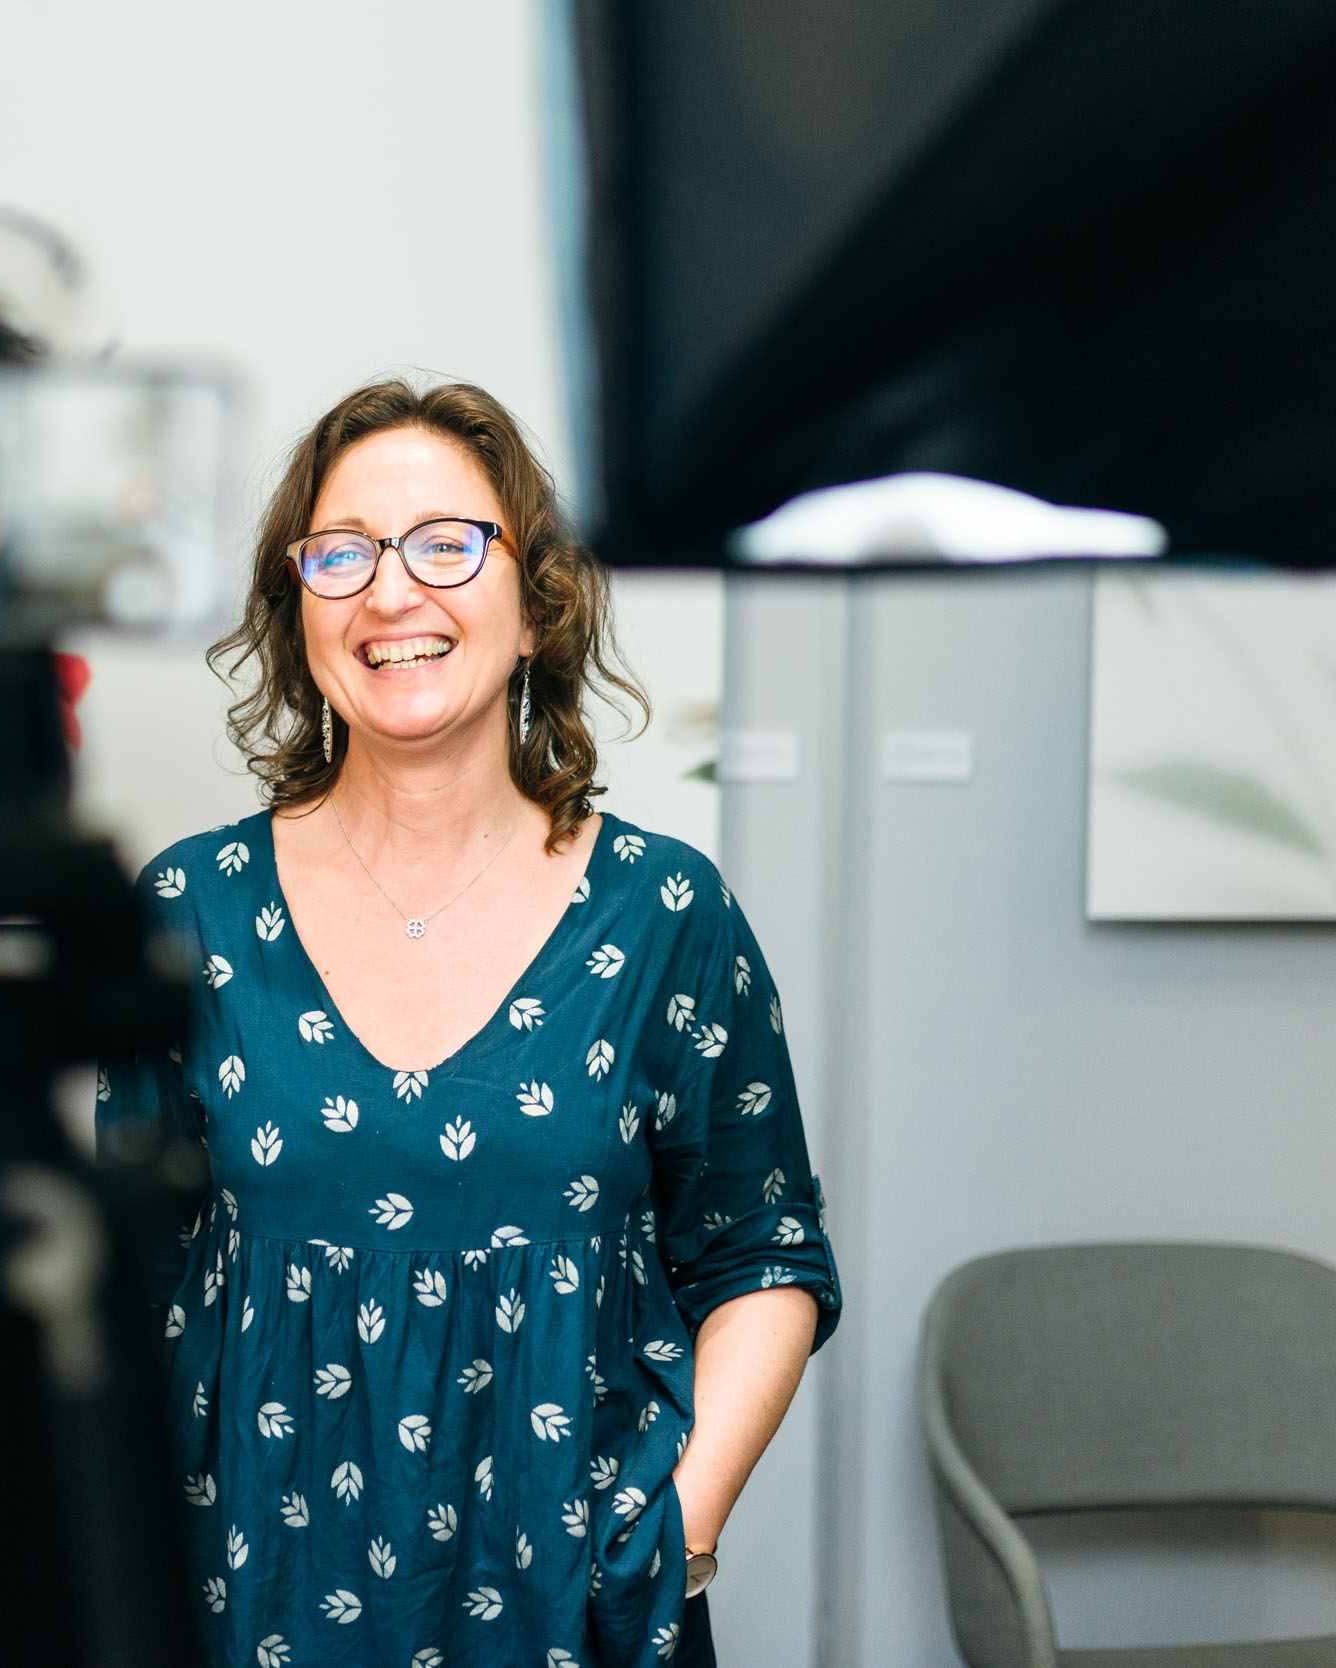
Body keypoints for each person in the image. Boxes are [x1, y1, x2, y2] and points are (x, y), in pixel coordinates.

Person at [100, 381, 840, 1668]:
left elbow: (761, 1250)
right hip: (253, 1598)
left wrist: (683, 1521)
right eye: (341, 555)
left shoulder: (665, 911)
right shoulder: (190, 914)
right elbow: (131, 1289)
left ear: (535, 600)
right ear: (299, 611)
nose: (390, 594)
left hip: (574, 1608)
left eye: (446, 543)